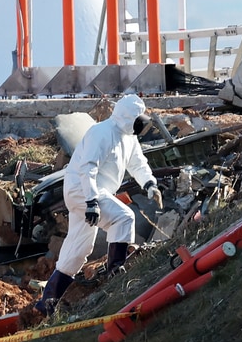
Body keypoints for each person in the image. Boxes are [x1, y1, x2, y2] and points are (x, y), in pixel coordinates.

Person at [33, 93, 163, 314]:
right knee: (124, 217)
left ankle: (47, 303)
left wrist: (150, 183)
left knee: (80, 248)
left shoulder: (129, 138)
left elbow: (138, 163)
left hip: (93, 193)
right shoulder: (101, 132)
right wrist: (92, 201)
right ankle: (115, 272)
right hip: (82, 189)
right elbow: (88, 168)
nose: (141, 122)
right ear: (127, 116)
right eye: (137, 117)